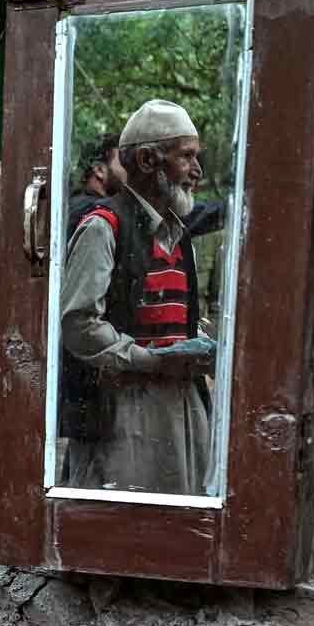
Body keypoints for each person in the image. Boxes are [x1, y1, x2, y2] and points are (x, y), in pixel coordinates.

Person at [57, 100, 219, 495]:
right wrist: (147, 360)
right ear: (148, 160)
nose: (196, 171)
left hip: (182, 409)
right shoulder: (103, 227)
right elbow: (79, 324)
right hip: (124, 414)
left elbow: (172, 314)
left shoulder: (178, 238)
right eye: (187, 157)